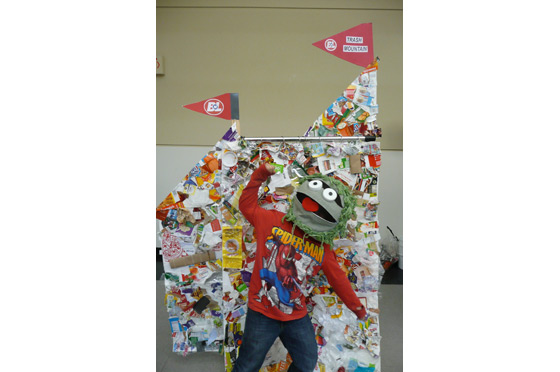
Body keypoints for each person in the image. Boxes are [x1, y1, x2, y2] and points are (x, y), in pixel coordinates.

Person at [232, 163, 366, 372]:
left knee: (306, 362)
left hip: (296, 315)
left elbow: (338, 279)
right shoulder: (272, 220)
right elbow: (247, 206)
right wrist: (260, 175)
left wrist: (357, 307)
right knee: (247, 365)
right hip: (262, 313)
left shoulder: (323, 247)